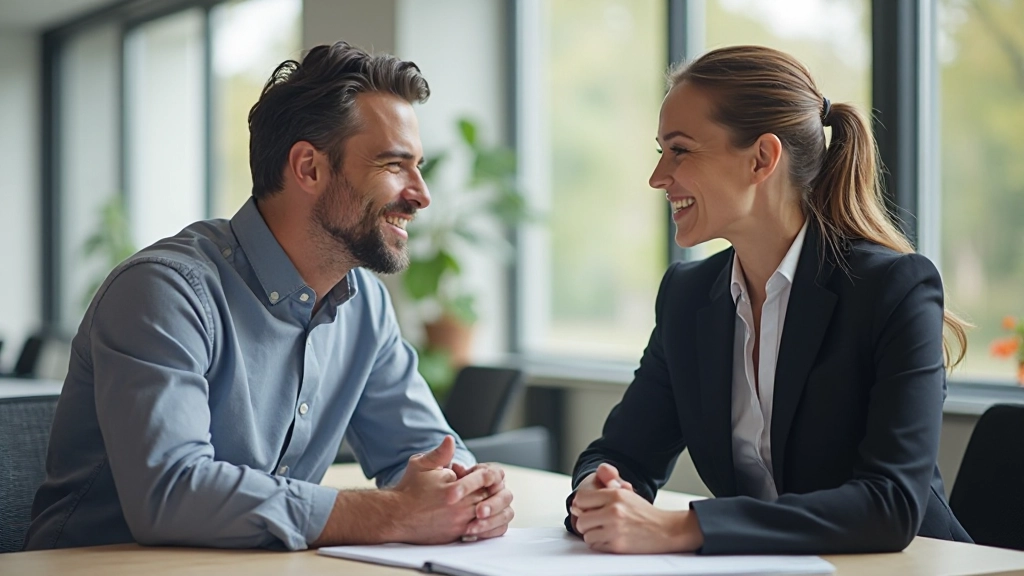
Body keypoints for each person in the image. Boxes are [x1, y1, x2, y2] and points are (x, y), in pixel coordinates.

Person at [25, 41, 513, 551]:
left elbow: (427, 452)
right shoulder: (164, 293)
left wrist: (468, 493)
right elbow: (170, 494)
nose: (420, 194)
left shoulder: (364, 306)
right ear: (308, 168)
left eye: (418, 167)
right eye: (394, 165)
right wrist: (390, 514)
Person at [566, 45, 972, 555]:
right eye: (660, 151)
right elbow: (624, 453)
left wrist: (682, 528)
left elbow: (889, 504)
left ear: (761, 158)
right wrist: (599, 494)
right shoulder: (687, 299)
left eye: (681, 150)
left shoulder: (894, 290)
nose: (658, 177)